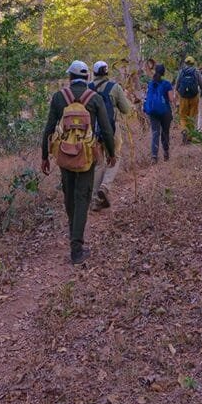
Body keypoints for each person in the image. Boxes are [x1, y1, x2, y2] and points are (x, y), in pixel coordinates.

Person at [41, 60, 116, 265]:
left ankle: (74, 235)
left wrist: (44, 156)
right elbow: (106, 129)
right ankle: (76, 248)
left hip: (65, 154)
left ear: (70, 77)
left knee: (70, 195)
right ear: (87, 77)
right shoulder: (95, 98)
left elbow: (48, 129)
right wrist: (111, 153)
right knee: (82, 196)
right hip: (87, 155)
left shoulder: (59, 97)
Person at [89, 60, 132, 210]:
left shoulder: (88, 88)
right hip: (112, 129)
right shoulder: (115, 87)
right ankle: (105, 186)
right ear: (107, 72)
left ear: (94, 72)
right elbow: (126, 109)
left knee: (98, 163)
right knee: (115, 157)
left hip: (92, 132)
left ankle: (95, 200)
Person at [143, 63, 174, 162]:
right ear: (163, 72)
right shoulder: (167, 84)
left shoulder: (150, 83)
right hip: (165, 111)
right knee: (165, 132)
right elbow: (171, 99)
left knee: (155, 133)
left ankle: (154, 156)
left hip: (153, 112)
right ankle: (166, 153)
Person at [175, 56, 202, 143]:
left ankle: (184, 130)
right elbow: (201, 84)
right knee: (192, 116)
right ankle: (189, 137)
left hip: (183, 97)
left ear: (185, 63)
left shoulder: (181, 71)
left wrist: (177, 92)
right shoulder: (196, 72)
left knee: (183, 116)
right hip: (194, 97)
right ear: (193, 63)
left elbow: (177, 84)